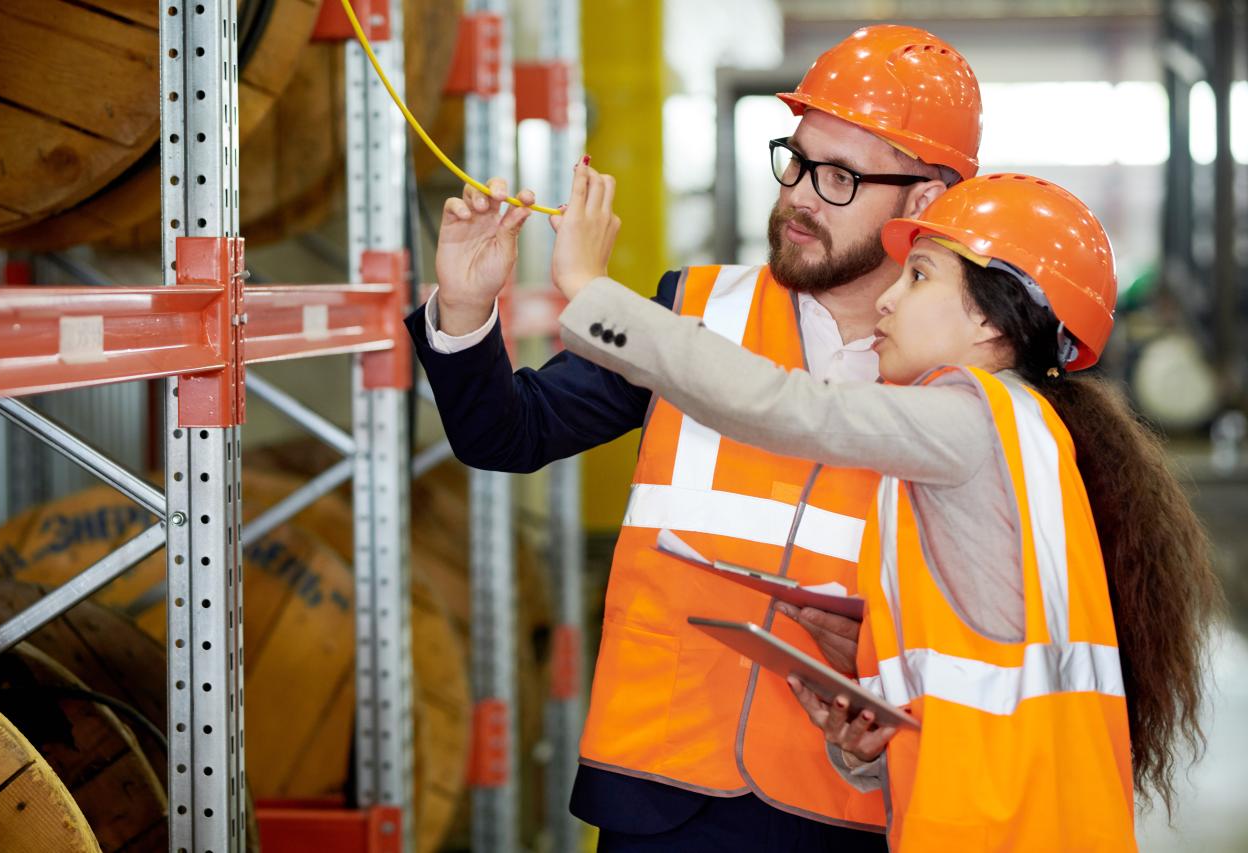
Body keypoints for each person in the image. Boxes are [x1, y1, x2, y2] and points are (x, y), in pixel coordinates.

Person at [411, 24, 982, 851]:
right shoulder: (694, 311)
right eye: (796, 159)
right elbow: (506, 433)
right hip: (661, 791)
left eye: (840, 178)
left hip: (854, 802)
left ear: (925, 203)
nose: (800, 197)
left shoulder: (967, 376)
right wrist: (465, 310)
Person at [547, 163, 1223, 851]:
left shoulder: (969, 420)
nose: (887, 301)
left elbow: (787, 406)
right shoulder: (1014, 437)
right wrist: (870, 728)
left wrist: (590, 293)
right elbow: (976, 695)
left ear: (992, 319)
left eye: (920, 276)